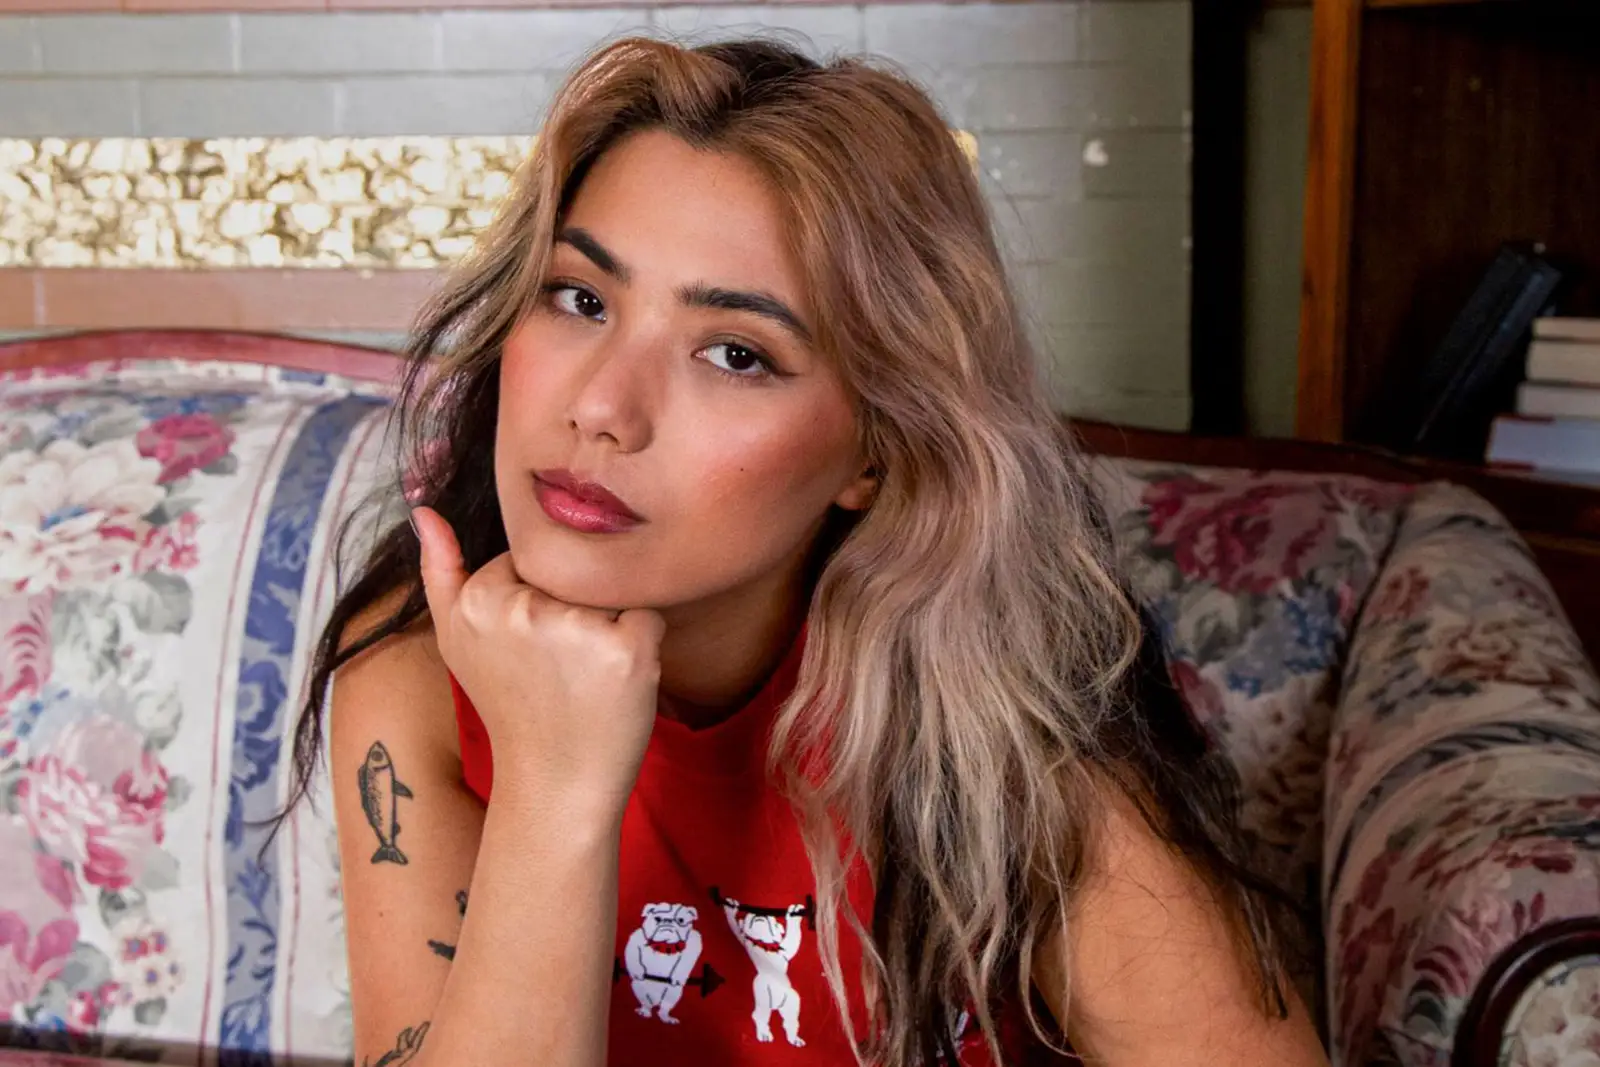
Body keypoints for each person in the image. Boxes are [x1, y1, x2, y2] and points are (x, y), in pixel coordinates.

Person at [288, 36, 1330, 1067]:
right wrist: (554, 785)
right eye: (581, 298)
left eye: (735, 353)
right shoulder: (420, 671)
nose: (600, 407)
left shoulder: (1007, 737)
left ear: (876, 450)